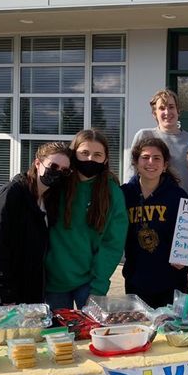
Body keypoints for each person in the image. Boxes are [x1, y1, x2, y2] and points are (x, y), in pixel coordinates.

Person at [0, 142, 72, 306]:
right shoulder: (12, 193)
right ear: (38, 163)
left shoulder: (50, 198)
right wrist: (6, 297)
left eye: (64, 170)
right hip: (5, 290)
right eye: (53, 166)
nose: (58, 172)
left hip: (31, 288)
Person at [44, 129, 128, 311]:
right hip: (53, 281)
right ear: (73, 154)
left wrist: (98, 287)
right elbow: (24, 198)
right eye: (84, 153)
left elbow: (113, 244)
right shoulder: (56, 185)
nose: (90, 159)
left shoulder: (112, 193)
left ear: (105, 159)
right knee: (56, 336)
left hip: (90, 283)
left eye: (97, 155)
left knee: (91, 335)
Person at [121, 136, 188, 307]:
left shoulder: (177, 196)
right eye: (145, 157)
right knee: (141, 330)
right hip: (136, 279)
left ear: (165, 165)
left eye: (157, 158)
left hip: (172, 281)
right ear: (136, 163)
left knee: (171, 331)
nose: (151, 162)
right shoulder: (124, 194)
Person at [131, 89, 188, 195]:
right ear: (154, 113)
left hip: (183, 205)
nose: (167, 112)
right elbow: (132, 172)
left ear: (178, 110)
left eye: (171, 107)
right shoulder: (144, 136)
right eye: (162, 108)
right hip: (149, 204)